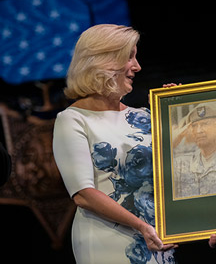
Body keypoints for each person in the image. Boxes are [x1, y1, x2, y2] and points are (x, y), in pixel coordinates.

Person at [52, 24, 176, 264]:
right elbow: (83, 195)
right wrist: (141, 226)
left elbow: (179, 172)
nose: (138, 67)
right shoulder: (72, 119)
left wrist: (178, 112)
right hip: (107, 242)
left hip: (158, 238)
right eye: (129, 57)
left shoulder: (145, 116)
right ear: (103, 61)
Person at [173, 102, 216, 199]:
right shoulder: (181, 164)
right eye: (195, 126)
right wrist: (173, 142)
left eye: (205, 124)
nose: (199, 130)